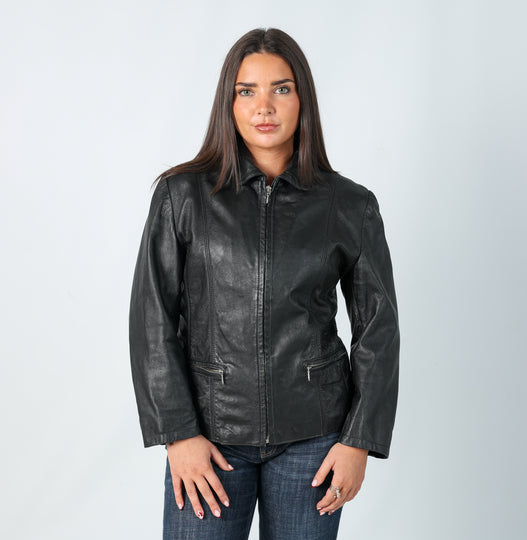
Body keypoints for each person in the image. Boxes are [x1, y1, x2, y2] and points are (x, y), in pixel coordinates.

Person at [129, 27, 400, 540]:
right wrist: (178, 434)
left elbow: (378, 329)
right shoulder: (181, 196)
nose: (264, 107)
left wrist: (358, 440)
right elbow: (152, 319)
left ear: (302, 99)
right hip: (210, 439)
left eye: (281, 88)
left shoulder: (350, 205)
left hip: (315, 442)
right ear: (228, 103)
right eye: (247, 90)